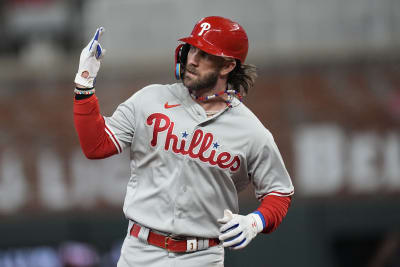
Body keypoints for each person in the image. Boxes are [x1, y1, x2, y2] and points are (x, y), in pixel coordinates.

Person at [73, 16, 294, 267]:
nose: (192, 60)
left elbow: (279, 192)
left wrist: (255, 222)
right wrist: (84, 83)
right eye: (192, 49)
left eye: (206, 54)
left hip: (202, 256)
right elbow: (96, 145)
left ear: (227, 66)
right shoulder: (150, 99)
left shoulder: (251, 131)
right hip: (139, 251)